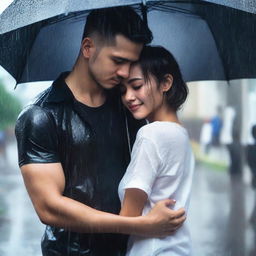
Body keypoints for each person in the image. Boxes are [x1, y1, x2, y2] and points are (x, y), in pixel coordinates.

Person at [15, 7, 186, 256]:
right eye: (118, 60)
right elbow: (49, 208)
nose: (125, 73)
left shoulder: (129, 106)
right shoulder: (40, 116)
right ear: (88, 48)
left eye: (131, 63)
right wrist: (139, 225)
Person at [118, 46, 195, 256]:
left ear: (166, 83)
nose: (128, 97)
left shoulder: (151, 134)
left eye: (136, 86)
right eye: (123, 90)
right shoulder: (181, 135)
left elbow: (127, 218)